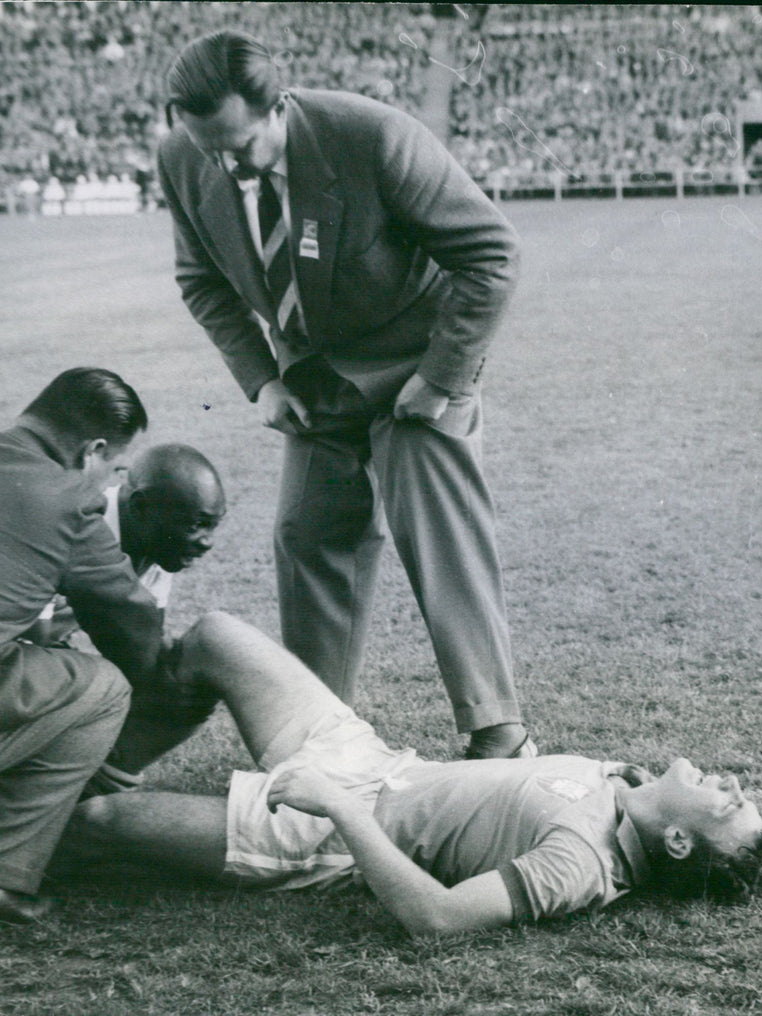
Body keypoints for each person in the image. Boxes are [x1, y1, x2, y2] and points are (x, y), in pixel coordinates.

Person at [157, 29, 531, 760]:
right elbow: (201, 279)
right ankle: (318, 731)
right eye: (209, 148)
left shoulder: (376, 137)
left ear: (280, 107)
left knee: (438, 529)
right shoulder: (184, 154)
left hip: (415, 364)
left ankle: (497, 731)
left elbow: (493, 254)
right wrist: (262, 379)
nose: (225, 164)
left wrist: (441, 378)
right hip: (311, 379)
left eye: (240, 146)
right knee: (307, 535)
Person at [68, 612, 762, 937]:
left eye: (731, 804)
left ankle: (50, 799)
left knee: (93, 825)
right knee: (214, 637)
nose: (730, 784)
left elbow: (436, 919)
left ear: (683, 845)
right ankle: (92, 762)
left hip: (326, 834)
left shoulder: (581, 866)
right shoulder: (627, 786)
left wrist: (337, 809)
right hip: (371, 758)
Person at [0, 368, 166, 924]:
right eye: (116, 468)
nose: (111, 482)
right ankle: (7, 873)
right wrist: (164, 689)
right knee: (103, 687)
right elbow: (129, 619)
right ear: (92, 450)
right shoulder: (70, 498)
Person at [28, 443, 228, 793]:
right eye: (197, 525)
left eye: (212, 526)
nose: (206, 542)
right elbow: (32, 634)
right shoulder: (72, 520)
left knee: (175, 683)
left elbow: (147, 638)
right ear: (140, 507)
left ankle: (96, 783)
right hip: (16, 654)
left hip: (44, 655)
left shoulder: (156, 541)